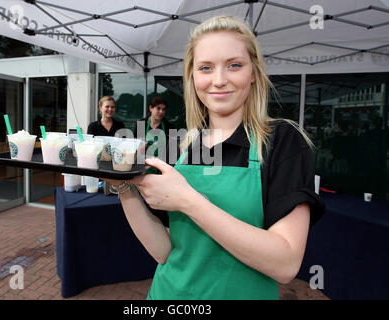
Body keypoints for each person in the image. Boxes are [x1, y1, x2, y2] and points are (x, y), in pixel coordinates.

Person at [108, 16, 324, 299]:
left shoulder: (281, 141)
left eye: (234, 65)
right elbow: (165, 251)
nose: (219, 80)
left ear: (254, 73)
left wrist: (188, 201)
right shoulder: (181, 145)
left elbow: (285, 264)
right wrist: (123, 185)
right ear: (193, 76)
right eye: (206, 68)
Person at [134, 96, 174, 172]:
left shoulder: (169, 126)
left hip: (161, 167)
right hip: (143, 166)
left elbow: (171, 152)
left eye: (163, 109)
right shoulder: (141, 124)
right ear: (151, 108)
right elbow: (136, 147)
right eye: (158, 108)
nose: (161, 112)